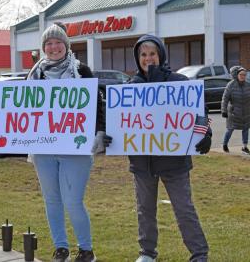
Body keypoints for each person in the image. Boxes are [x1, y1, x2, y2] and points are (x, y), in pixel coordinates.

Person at [126, 35, 211, 262]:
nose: (148, 58)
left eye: (152, 53)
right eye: (143, 54)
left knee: (184, 209)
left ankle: (199, 254)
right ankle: (147, 252)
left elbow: (200, 113)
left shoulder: (179, 82)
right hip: (142, 162)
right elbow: (121, 121)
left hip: (174, 161)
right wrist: (110, 137)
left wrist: (206, 131)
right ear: (138, 58)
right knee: (145, 210)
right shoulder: (130, 88)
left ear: (161, 55)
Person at [26, 23, 105, 262]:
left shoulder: (81, 70)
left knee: (72, 200)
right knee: (52, 200)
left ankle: (86, 250)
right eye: (48, 43)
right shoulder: (35, 74)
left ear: (66, 44)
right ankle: (61, 247)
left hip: (75, 147)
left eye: (57, 42)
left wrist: (99, 132)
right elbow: (24, 109)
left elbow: (96, 105)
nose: (53, 47)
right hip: (43, 149)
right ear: (43, 48)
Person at [221, 66, 250, 154]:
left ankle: (244, 147)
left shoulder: (248, 85)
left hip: (246, 113)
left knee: (245, 129)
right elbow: (225, 99)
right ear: (237, 75)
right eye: (241, 74)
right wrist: (224, 111)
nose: (243, 76)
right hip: (234, 113)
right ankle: (225, 144)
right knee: (230, 129)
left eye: (244, 75)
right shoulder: (230, 85)